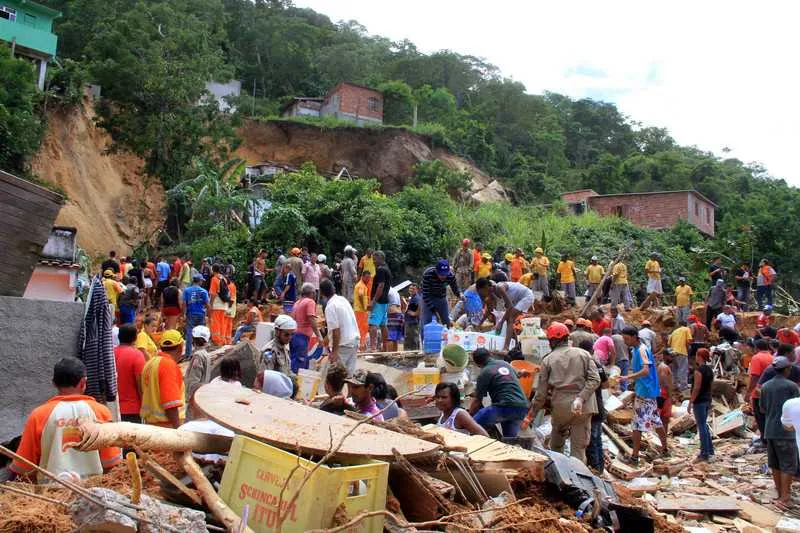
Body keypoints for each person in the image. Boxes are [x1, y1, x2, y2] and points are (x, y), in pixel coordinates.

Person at [9, 358, 122, 481]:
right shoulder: (101, 412)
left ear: (53, 383)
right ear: (83, 382)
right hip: (93, 493)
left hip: (50, 493)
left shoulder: (38, 415)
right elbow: (111, 463)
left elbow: (24, 467)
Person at [527, 323, 599, 463]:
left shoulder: (548, 359)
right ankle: (579, 481)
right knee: (578, 451)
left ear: (552, 341)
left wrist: (531, 415)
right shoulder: (583, 354)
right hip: (583, 408)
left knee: (556, 448)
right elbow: (595, 380)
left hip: (560, 407)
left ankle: (559, 478)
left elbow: (541, 394)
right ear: (567, 338)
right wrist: (580, 398)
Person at [622, 326, 668, 464]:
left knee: (637, 425)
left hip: (645, 392)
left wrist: (628, 377)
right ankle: (665, 449)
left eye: (627, 338)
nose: (625, 341)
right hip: (648, 391)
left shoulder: (641, 350)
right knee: (656, 421)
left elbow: (645, 371)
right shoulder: (636, 349)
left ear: (635, 337)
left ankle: (634, 456)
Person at [759, 356, 800, 509]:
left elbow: (762, 408)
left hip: (769, 430)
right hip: (786, 432)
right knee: (788, 465)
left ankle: (779, 493)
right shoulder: (791, 386)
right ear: (786, 369)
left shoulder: (765, 386)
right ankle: (785, 496)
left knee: (775, 463)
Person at [469, 348, 529, 438]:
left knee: (471, 424)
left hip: (504, 407)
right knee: (509, 440)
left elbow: (477, 401)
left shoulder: (484, 372)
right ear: (490, 355)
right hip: (521, 407)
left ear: (478, 364)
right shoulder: (505, 364)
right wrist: (522, 373)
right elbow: (516, 375)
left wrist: (468, 415)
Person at [140, 330, 187, 429]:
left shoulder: (150, 363)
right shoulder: (168, 365)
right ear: (180, 347)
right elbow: (171, 404)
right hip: (167, 428)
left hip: (150, 425)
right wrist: (178, 429)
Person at [475, 278, 534, 351]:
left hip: (526, 296)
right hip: (516, 300)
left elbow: (510, 307)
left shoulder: (500, 288)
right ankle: (517, 345)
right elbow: (489, 310)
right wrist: (480, 324)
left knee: (510, 319)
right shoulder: (491, 294)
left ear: (486, 287)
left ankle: (506, 348)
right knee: (509, 319)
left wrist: (501, 323)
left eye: (481, 293)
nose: (482, 296)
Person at [322, 279, 360, 376]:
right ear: (333, 289)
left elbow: (336, 331)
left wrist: (334, 352)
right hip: (353, 341)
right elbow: (340, 326)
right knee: (349, 376)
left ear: (322, 293)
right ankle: (350, 391)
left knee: (335, 378)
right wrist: (324, 342)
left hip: (344, 345)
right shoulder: (342, 300)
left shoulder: (330, 307)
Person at [421, 259, 460, 339]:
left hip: (441, 298)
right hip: (428, 298)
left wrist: (461, 295)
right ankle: (425, 343)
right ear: (436, 270)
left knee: (446, 321)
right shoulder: (428, 274)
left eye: (445, 274)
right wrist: (433, 310)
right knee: (427, 322)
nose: (443, 277)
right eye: (441, 274)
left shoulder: (450, 276)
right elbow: (425, 294)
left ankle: (449, 342)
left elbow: (455, 290)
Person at [687, 348, 715, 462]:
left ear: (700, 357)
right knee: (704, 425)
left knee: (701, 426)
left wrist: (691, 401)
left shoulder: (699, 371)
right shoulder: (709, 370)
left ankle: (704, 453)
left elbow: (696, 387)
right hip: (707, 399)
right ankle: (710, 450)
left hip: (699, 401)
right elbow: (711, 386)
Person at [114, 325, 146, 423]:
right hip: (132, 409)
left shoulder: (110, 353)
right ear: (135, 338)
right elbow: (140, 384)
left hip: (113, 408)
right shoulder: (137, 355)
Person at [291, 283, 323, 374]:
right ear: (312, 293)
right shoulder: (310, 302)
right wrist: (319, 336)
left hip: (293, 336)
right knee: (300, 365)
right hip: (302, 337)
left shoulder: (297, 303)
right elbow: (311, 319)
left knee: (294, 361)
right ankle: (297, 385)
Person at [183, 325, 213, 419]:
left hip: (194, 400)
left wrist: (191, 401)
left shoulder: (198, 356)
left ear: (194, 339)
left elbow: (194, 382)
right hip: (200, 398)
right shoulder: (206, 354)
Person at [748, 338, 775, 442]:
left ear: (756, 348)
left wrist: (748, 393)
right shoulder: (772, 357)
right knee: (769, 417)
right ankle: (771, 440)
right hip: (771, 393)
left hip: (758, 393)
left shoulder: (756, 358)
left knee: (760, 418)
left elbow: (754, 376)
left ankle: (765, 440)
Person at [256, 315, 296, 384]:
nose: (290, 338)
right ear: (277, 332)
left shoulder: (285, 348)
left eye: (292, 334)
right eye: (286, 335)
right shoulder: (270, 351)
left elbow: (287, 371)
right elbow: (264, 378)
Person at [368, 251, 392, 352]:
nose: (373, 261)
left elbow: (381, 285)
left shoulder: (381, 270)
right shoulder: (387, 269)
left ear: (379, 258)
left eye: (374, 258)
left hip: (379, 301)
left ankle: (373, 347)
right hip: (385, 301)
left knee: (373, 325)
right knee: (383, 324)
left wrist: (373, 301)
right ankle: (385, 347)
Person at [182, 274, 210, 357]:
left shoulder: (187, 290)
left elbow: (184, 303)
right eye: (202, 281)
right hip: (201, 314)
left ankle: (188, 354)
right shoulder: (204, 291)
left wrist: (183, 314)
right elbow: (208, 304)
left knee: (189, 334)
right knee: (202, 334)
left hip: (190, 314)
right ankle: (202, 353)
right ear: (200, 281)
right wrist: (209, 316)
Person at [208, 264, 230, 345]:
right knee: (222, 323)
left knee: (216, 323)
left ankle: (217, 340)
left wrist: (210, 304)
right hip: (224, 304)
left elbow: (213, 293)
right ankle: (222, 340)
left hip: (217, 305)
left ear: (213, 270)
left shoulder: (214, 279)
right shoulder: (223, 278)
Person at [668, 319, 692, 391]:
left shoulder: (674, 331)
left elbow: (668, 343)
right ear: (685, 325)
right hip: (681, 351)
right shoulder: (686, 329)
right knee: (683, 369)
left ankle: (674, 385)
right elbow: (689, 341)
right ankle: (683, 387)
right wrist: (687, 349)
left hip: (672, 353)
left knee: (674, 370)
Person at [657, 350, 674, 435]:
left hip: (661, 394)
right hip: (664, 395)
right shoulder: (664, 367)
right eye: (670, 356)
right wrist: (670, 396)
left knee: (662, 418)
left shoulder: (663, 366)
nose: (672, 358)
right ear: (665, 356)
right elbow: (665, 382)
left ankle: (663, 438)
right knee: (663, 419)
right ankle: (663, 439)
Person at [353, 271, 371, 351]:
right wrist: (364, 307)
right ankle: (360, 346)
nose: (368, 279)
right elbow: (360, 296)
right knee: (361, 328)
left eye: (369, 278)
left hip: (361, 310)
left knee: (364, 328)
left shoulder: (362, 285)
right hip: (360, 311)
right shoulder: (361, 285)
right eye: (366, 277)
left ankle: (361, 345)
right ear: (362, 277)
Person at [404, 283, 421, 350]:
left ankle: (413, 354)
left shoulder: (416, 298)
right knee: (410, 339)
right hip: (409, 321)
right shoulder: (413, 297)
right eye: (410, 288)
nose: (411, 290)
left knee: (412, 340)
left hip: (412, 323)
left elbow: (420, 306)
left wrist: (415, 313)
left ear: (417, 290)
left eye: (413, 289)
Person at [386, 287, 404, 352]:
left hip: (392, 315)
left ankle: (390, 355)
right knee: (395, 338)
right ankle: (394, 354)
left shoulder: (387, 290)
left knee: (390, 338)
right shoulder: (395, 291)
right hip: (399, 315)